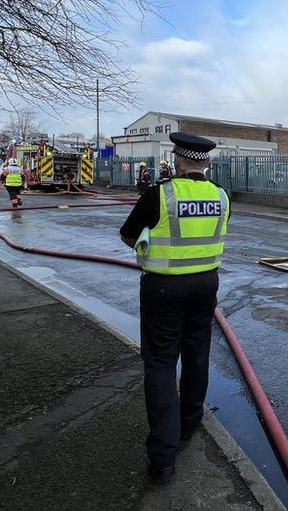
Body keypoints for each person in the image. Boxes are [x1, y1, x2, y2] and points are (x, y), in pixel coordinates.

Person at [119, 133, 228, 484]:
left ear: (177, 161)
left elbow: (128, 234)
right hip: (205, 286)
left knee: (162, 363)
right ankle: (189, 426)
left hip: (164, 288)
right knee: (197, 356)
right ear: (207, 163)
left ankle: (163, 459)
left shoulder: (160, 194)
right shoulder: (221, 197)